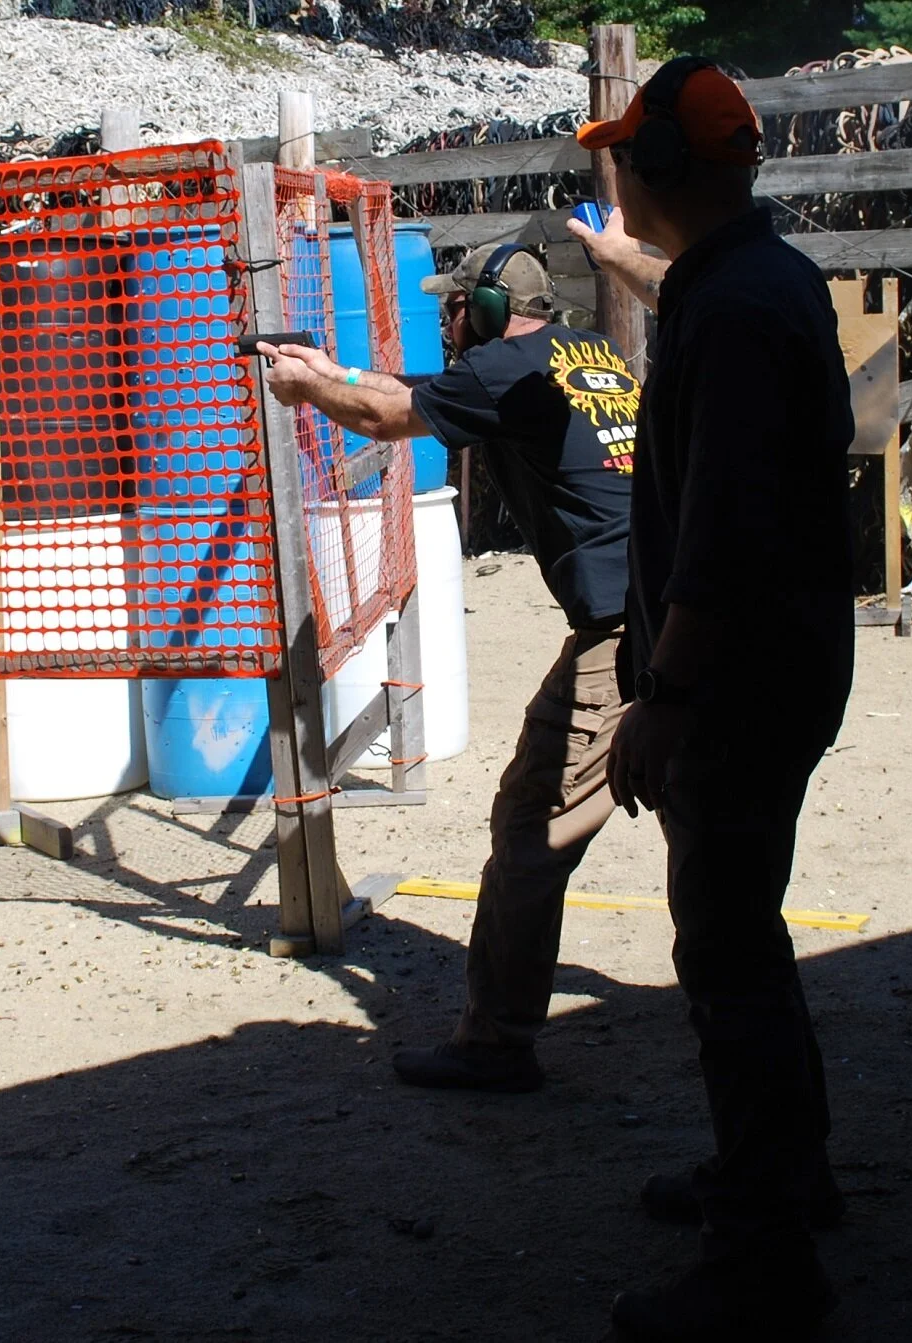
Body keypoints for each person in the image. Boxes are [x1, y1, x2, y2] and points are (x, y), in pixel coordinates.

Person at [572, 56, 856, 1340]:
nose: (614, 168)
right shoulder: (744, 281)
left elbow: (724, 535)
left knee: (725, 954)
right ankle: (779, 1177)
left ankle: (764, 1260)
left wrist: (664, 697)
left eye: (628, 151)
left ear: (668, 170)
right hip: (771, 671)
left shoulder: (733, 312)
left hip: (736, 686)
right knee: (745, 938)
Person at [257, 242, 641, 1093]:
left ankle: (497, 1043)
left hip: (625, 638)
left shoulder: (502, 365)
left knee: (530, 829)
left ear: (495, 313)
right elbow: (416, 395)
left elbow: (387, 417)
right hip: (672, 614)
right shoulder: (593, 353)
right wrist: (332, 367)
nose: (449, 319)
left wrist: (307, 388)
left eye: (459, 305)